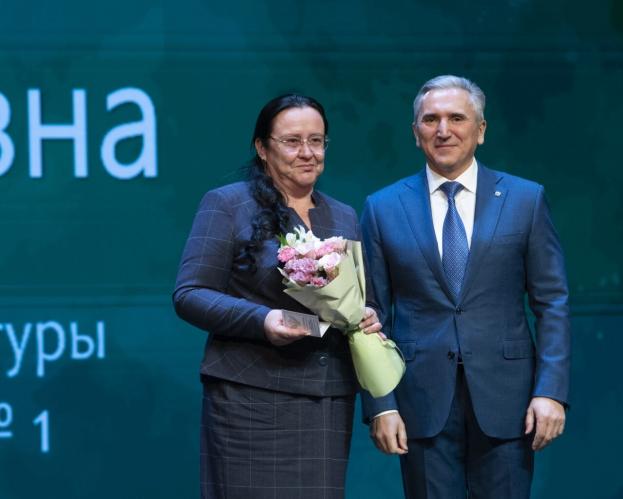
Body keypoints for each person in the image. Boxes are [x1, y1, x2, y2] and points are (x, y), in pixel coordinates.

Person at [361, 75, 571, 498]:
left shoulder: (525, 199)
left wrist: (551, 391)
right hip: (419, 400)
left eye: (457, 118)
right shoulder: (382, 207)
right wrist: (381, 405)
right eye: (430, 120)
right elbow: (370, 315)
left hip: (509, 402)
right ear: (415, 132)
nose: (443, 130)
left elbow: (552, 302)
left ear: (481, 130)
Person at [173, 94, 381, 499]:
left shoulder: (342, 215)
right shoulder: (227, 204)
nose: (307, 152)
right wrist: (262, 320)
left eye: (317, 141)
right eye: (292, 141)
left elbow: (359, 300)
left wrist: (367, 315)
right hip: (251, 399)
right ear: (262, 148)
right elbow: (190, 293)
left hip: (327, 399)